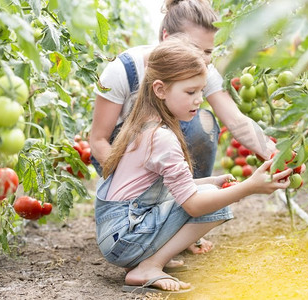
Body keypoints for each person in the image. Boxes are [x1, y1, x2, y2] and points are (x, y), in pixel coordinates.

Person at [95, 36, 292, 294]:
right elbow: (193, 204)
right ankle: (149, 265)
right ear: (160, 89)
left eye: (201, 91)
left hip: (118, 231)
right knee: (214, 202)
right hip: (124, 238)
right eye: (190, 92)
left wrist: (212, 181)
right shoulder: (162, 138)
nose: (199, 99)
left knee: (211, 190)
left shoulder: (145, 123)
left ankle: (147, 258)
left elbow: (157, 188)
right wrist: (248, 187)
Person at [90, 0, 277, 255]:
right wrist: (131, 184)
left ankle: (181, 218)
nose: (204, 59)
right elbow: (99, 140)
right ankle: (169, 213)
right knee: (185, 186)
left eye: (210, 52)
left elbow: (236, 121)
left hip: (163, 156)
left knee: (203, 123)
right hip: (120, 154)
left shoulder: (200, 71)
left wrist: (274, 153)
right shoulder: (122, 70)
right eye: (196, 48)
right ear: (166, 37)